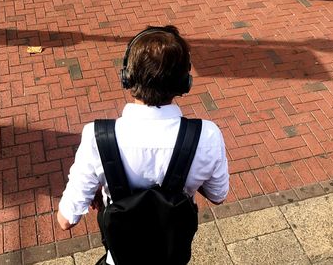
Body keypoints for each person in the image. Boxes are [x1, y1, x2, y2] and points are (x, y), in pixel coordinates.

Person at [57, 25, 230, 265]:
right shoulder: (206, 136)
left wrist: (100, 185)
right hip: (172, 256)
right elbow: (218, 195)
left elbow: (66, 220)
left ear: (126, 77)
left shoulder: (97, 138)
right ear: (184, 82)